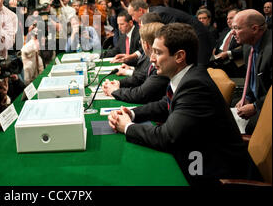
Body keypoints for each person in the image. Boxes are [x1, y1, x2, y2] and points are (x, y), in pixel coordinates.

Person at [108, 23, 260, 185]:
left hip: (213, 172)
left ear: (180, 56)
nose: (152, 58)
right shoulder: (187, 75)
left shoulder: (195, 86)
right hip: (198, 158)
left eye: (158, 53)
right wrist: (132, 113)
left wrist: (127, 127)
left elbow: (167, 137)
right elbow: (165, 105)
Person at [128, 0, 213, 66]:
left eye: (132, 15)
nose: (132, 19)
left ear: (140, 10)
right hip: (190, 37)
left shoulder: (159, 14)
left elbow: (173, 33)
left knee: (200, 68)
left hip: (199, 36)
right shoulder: (154, 12)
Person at [102, 22, 169, 104]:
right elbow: (140, 77)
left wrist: (115, 91)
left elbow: (140, 94)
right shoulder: (151, 58)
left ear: (146, 44)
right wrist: (119, 83)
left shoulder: (161, 64)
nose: (152, 59)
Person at [232, 9, 272, 135]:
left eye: (236, 28)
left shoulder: (270, 50)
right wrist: (247, 97)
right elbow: (251, 76)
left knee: (248, 129)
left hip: (267, 103)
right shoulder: (248, 45)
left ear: (254, 29)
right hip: (257, 97)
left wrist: (255, 106)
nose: (232, 32)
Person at [212, 9, 244, 77]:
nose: (228, 21)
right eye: (227, 19)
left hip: (233, 62)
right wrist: (215, 48)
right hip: (218, 60)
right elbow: (219, 43)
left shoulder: (243, 31)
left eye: (231, 18)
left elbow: (246, 48)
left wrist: (227, 53)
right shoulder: (225, 30)